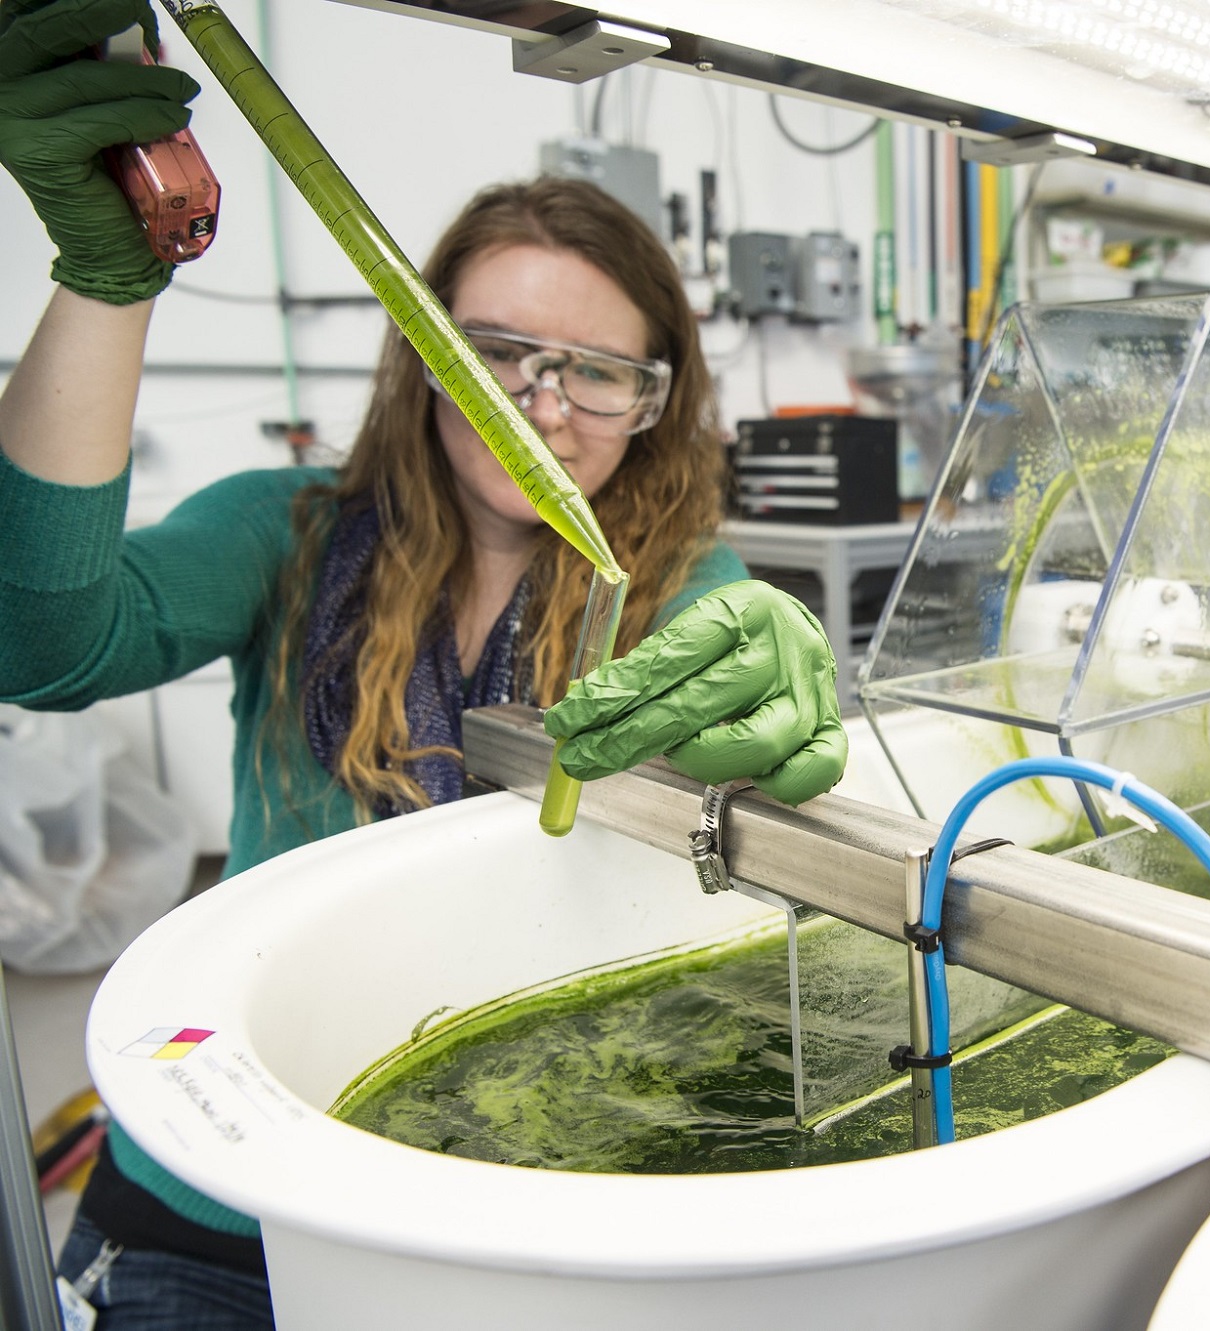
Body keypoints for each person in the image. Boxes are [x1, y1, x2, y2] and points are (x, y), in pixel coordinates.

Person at [0, 0, 846, 1323]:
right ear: (423, 352)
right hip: (217, 1198)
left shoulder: (683, 597)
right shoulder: (280, 535)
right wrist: (111, 280)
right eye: (496, 354)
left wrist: (792, 685)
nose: (543, 408)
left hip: (497, 1203)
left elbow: (753, 790)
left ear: (656, 402)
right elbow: (39, 649)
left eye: (598, 374)